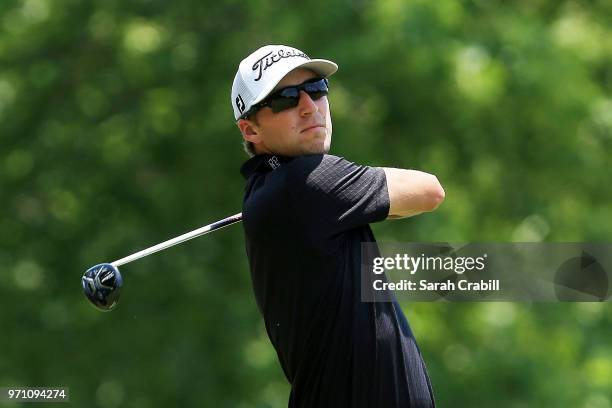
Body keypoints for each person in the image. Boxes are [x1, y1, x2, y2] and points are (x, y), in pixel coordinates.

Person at [232, 45, 445, 408]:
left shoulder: (273, 191)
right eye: (284, 99)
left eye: (316, 89)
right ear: (250, 129)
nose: (309, 105)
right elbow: (429, 191)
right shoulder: (307, 182)